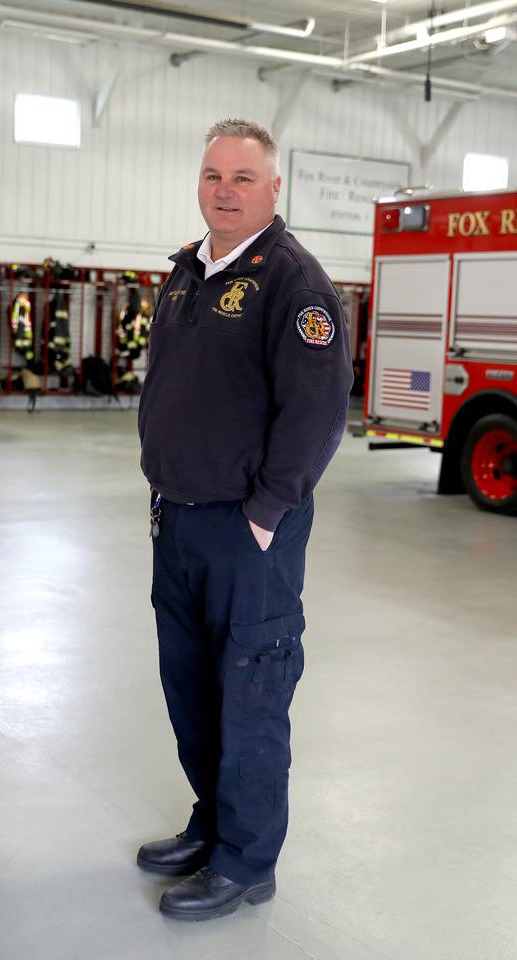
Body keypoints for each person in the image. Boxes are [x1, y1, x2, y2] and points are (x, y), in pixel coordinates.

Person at [135, 118, 353, 921]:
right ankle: (213, 823)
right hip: (180, 520)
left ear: (273, 188)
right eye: (212, 175)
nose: (224, 190)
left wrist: (264, 514)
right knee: (191, 689)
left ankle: (247, 861)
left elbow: (317, 413)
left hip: (246, 531)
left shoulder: (294, 283)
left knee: (251, 694)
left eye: (242, 177)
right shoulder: (189, 271)